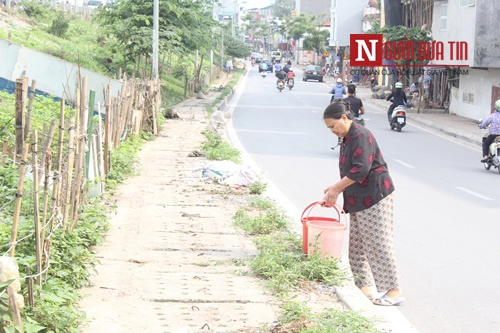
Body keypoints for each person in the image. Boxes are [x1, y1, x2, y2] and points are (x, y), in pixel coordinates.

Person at [320, 100, 404, 306]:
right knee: (357, 245)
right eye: (328, 128)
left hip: (375, 194)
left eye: (333, 125)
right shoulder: (347, 137)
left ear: (345, 118)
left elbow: (361, 169)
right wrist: (335, 188)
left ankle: (393, 290)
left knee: (378, 242)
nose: (331, 130)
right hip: (358, 196)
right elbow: (349, 172)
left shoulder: (360, 135)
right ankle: (363, 287)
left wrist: (336, 188)